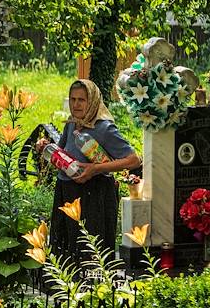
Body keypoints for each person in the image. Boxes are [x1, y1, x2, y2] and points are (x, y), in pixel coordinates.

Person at [38, 79, 141, 266]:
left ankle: (92, 290)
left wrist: (95, 169)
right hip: (67, 191)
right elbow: (62, 151)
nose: (76, 104)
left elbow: (133, 159)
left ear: (92, 101)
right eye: (72, 99)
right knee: (66, 246)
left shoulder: (103, 127)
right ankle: (68, 289)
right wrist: (49, 151)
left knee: (90, 249)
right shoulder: (72, 124)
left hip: (93, 195)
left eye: (81, 100)